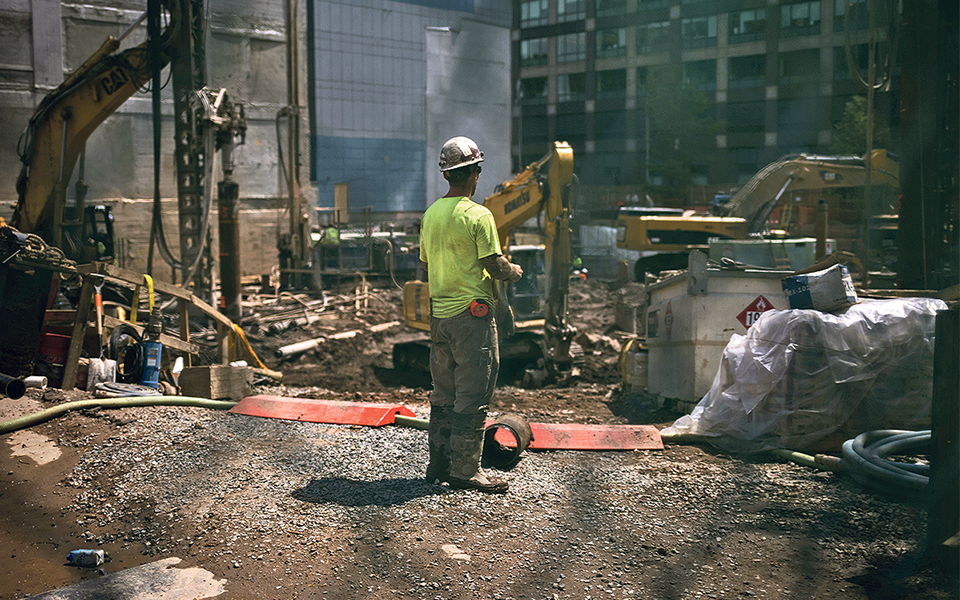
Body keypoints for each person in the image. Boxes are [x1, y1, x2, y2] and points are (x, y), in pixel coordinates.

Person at [419, 136, 523, 494]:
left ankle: (438, 465)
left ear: (447, 175)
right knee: (473, 395)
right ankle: (466, 471)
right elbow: (492, 264)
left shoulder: (431, 214)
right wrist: (512, 272)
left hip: (439, 318)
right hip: (471, 318)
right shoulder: (479, 215)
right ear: (475, 174)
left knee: (443, 393)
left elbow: (426, 264)